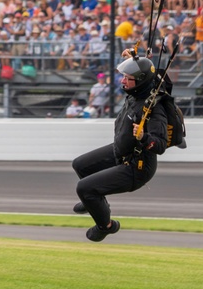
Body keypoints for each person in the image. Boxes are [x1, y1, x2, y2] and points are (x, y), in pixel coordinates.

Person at [71, 51, 167, 242]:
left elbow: (160, 145)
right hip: (120, 150)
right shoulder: (137, 91)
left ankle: (106, 226)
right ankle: (97, 204)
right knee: (80, 165)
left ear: (139, 81)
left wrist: (144, 137)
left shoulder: (154, 107)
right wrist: (134, 56)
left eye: (127, 78)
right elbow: (149, 70)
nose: (123, 81)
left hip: (136, 167)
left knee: (84, 188)